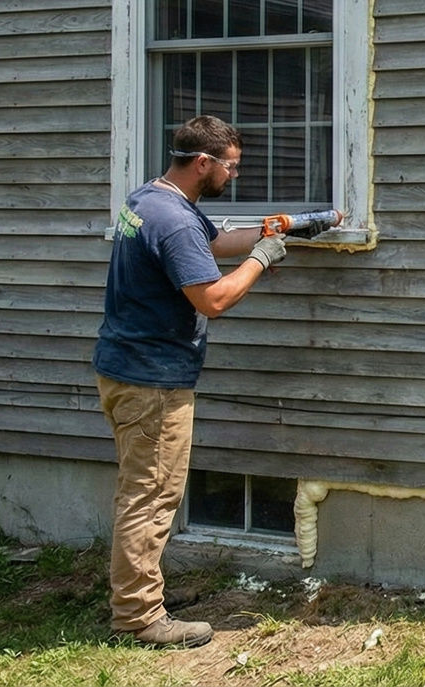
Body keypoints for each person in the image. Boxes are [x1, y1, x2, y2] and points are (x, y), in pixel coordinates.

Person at [95, 116, 298, 649]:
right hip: (152, 381)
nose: (232, 175)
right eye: (229, 166)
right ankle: (139, 619)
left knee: (142, 491)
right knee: (150, 496)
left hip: (124, 366)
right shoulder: (175, 221)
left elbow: (211, 243)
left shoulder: (150, 200)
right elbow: (213, 299)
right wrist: (261, 258)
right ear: (202, 163)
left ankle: (142, 596)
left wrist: (268, 230)